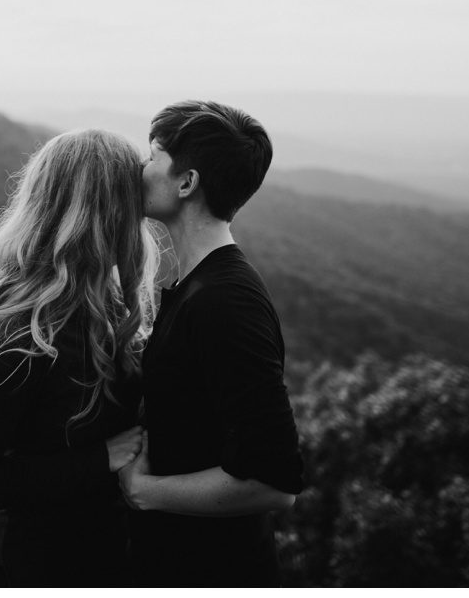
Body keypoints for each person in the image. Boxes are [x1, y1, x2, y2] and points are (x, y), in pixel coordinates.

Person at [0, 128, 160, 587]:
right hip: (42, 564)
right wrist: (101, 459)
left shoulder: (109, 308)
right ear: (112, 212)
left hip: (106, 553)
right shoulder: (24, 333)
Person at [119, 100, 304, 586]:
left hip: (213, 571)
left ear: (186, 182)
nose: (139, 169)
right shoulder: (201, 287)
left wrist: (145, 492)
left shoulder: (225, 302)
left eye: (152, 156)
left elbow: (274, 483)